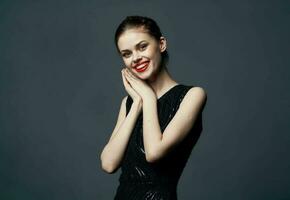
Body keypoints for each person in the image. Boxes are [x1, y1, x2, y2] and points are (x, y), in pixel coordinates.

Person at [100, 15, 207, 200]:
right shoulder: (129, 102)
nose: (135, 58)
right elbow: (108, 164)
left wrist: (148, 97)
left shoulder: (192, 96)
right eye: (127, 54)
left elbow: (154, 152)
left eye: (142, 47)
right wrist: (137, 104)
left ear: (162, 44)